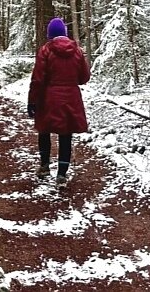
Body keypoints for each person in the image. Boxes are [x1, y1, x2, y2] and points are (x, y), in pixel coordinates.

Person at [27, 18, 90, 185]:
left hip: (48, 97)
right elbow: (84, 78)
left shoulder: (46, 50)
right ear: (64, 33)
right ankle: (62, 173)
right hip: (71, 97)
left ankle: (44, 166)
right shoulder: (77, 51)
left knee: (44, 130)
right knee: (66, 134)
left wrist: (32, 101)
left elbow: (38, 79)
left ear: (50, 34)